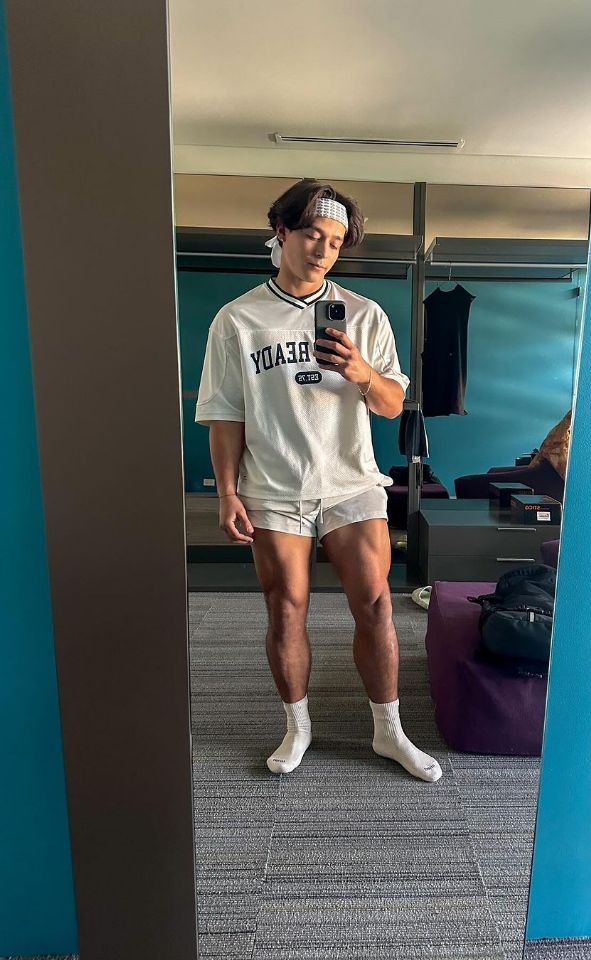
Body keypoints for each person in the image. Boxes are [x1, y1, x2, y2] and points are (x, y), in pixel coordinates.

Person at [194, 178, 442, 783]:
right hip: (273, 486)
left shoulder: (364, 314)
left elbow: (391, 405)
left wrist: (361, 371)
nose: (323, 250)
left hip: (351, 482)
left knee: (377, 604)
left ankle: (389, 730)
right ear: (282, 233)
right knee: (285, 609)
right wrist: (226, 492)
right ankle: (297, 726)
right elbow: (225, 414)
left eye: (335, 241)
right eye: (312, 234)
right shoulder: (237, 320)